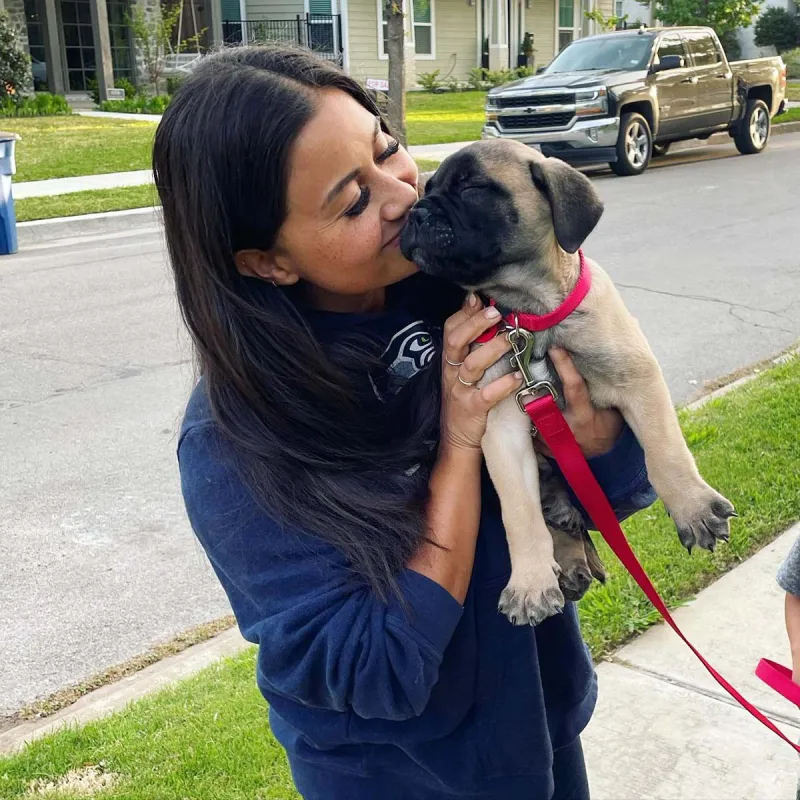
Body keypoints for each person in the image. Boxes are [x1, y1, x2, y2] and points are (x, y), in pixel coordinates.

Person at [154, 45, 656, 800]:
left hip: (541, 730)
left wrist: (600, 442)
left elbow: (603, 490)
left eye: (389, 151)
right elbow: (376, 668)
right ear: (267, 261)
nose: (402, 196)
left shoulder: (457, 289)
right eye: (353, 201)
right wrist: (460, 444)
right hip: (402, 776)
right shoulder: (234, 441)